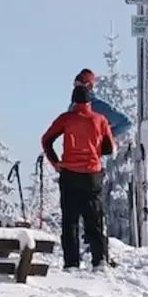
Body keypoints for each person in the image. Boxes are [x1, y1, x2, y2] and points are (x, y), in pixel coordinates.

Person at [41, 75, 114, 269]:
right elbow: (109, 148)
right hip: (92, 175)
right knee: (95, 219)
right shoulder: (100, 120)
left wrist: (55, 162)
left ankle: (71, 263)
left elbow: (46, 140)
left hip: (70, 174)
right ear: (90, 101)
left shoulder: (65, 119)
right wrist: (94, 151)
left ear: (73, 101)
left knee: (70, 221)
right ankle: (100, 260)